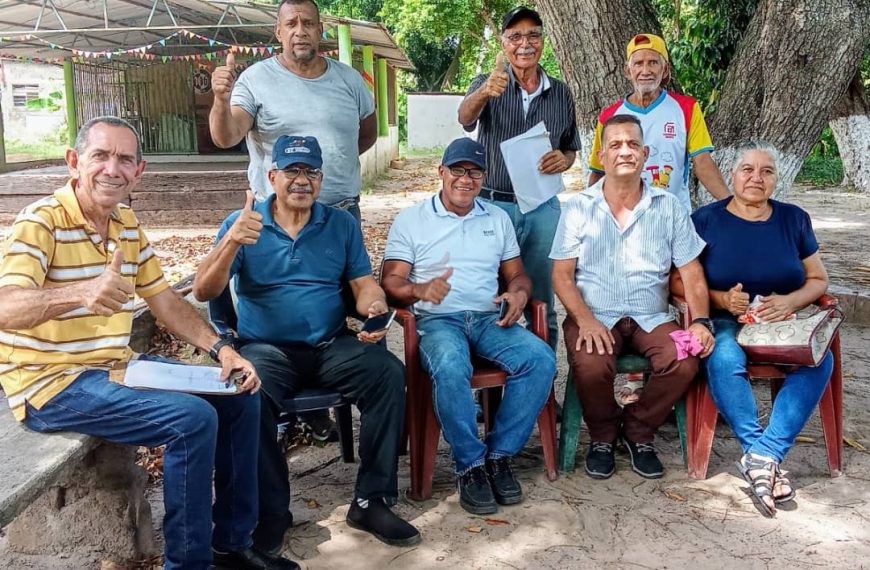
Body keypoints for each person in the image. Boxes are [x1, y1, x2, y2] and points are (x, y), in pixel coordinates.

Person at [0, 116, 297, 570]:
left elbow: (165, 301)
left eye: (124, 159)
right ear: (74, 162)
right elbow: (6, 306)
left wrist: (222, 350)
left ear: (139, 171)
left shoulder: (126, 223)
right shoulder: (40, 222)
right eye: (100, 156)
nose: (111, 169)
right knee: (191, 419)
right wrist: (77, 293)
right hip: (51, 384)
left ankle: (232, 544)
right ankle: (188, 563)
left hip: (117, 367)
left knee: (239, 392)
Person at [192, 135, 420, 555]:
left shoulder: (340, 224)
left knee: (387, 374)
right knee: (248, 391)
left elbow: (363, 283)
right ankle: (273, 511)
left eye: (311, 171)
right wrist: (230, 243)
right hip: (266, 348)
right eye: (292, 171)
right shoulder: (244, 222)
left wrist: (373, 307)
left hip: (331, 344)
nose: (302, 180)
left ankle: (371, 500)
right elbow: (205, 291)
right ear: (272, 175)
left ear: (320, 178)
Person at [381, 137, 555, 514]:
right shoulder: (412, 220)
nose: (466, 179)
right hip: (437, 321)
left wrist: (520, 295)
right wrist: (420, 289)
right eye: (457, 170)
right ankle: (470, 464)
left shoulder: (496, 217)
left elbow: (518, 275)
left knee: (540, 359)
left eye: (474, 172)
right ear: (440, 172)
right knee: (450, 365)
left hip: (488, 317)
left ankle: (499, 455)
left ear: (484, 177)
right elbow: (390, 284)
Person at [550, 114, 714, 480]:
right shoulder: (579, 206)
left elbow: (691, 272)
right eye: (615, 144)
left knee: (684, 360)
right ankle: (603, 436)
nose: (624, 151)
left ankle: (639, 431)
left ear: (645, 153)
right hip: (595, 313)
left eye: (632, 144)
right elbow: (561, 276)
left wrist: (701, 321)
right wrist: (585, 320)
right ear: (602, 155)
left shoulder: (668, 205)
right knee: (592, 365)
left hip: (651, 315)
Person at [691, 141, 834, 516]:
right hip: (727, 320)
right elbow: (677, 283)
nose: (756, 177)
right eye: (747, 169)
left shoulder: (794, 218)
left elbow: (818, 279)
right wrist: (722, 300)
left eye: (766, 171)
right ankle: (764, 454)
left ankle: (762, 456)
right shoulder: (706, 219)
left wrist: (791, 301)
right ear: (732, 175)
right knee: (722, 356)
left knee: (822, 359)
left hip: (782, 322)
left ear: (775, 181)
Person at [457, 5, 580, 350]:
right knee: (490, 299)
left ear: (542, 41)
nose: (524, 43)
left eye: (532, 35)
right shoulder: (488, 82)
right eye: (515, 36)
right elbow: (464, 118)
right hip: (493, 206)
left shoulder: (561, 92)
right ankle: (491, 398)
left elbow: (571, 148)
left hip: (542, 209)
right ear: (503, 43)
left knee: (542, 302)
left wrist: (563, 160)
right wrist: (483, 93)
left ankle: (543, 395)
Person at [208, 0, 377, 221]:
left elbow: (367, 133)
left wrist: (337, 157)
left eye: (308, 23)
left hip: (340, 212)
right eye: (291, 24)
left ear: (319, 30)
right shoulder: (255, 79)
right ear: (279, 32)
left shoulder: (349, 79)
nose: (300, 32)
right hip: (275, 217)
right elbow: (225, 138)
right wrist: (221, 100)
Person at [587, 33, 730, 211]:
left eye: (653, 63)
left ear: (665, 69)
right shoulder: (609, 116)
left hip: (674, 218)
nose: (645, 71)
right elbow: (599, 171)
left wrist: (731, 204)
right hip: (625, 220)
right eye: (638, 63)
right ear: (627, 70)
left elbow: (703, 162)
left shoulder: (687, 108)